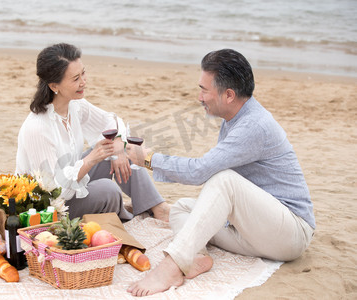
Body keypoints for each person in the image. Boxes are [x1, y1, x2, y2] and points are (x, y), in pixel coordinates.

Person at [125, 49, 315, 296]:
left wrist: (148, 158)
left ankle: (172, 265)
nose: (199, 97)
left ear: (229, 94)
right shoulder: (233, 118)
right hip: (253, 231)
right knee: (182, 208)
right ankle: (196, 258)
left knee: (224, 180)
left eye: (204, 89)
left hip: (289, 233)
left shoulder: (253, 126)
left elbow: (200, 171)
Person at [15, 43, 170, 222]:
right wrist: (90, 161)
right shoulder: (38, 128)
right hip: (48, 209)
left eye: (83, 73)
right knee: (108, 190)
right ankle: (122, 219)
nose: (83, 82)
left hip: (73, 185)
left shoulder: (75, 105)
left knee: (119, 148)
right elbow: (53, 191)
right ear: (54, 85)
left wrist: (119, 145)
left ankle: (159, 208)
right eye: (75, 79)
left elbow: (110, 120)